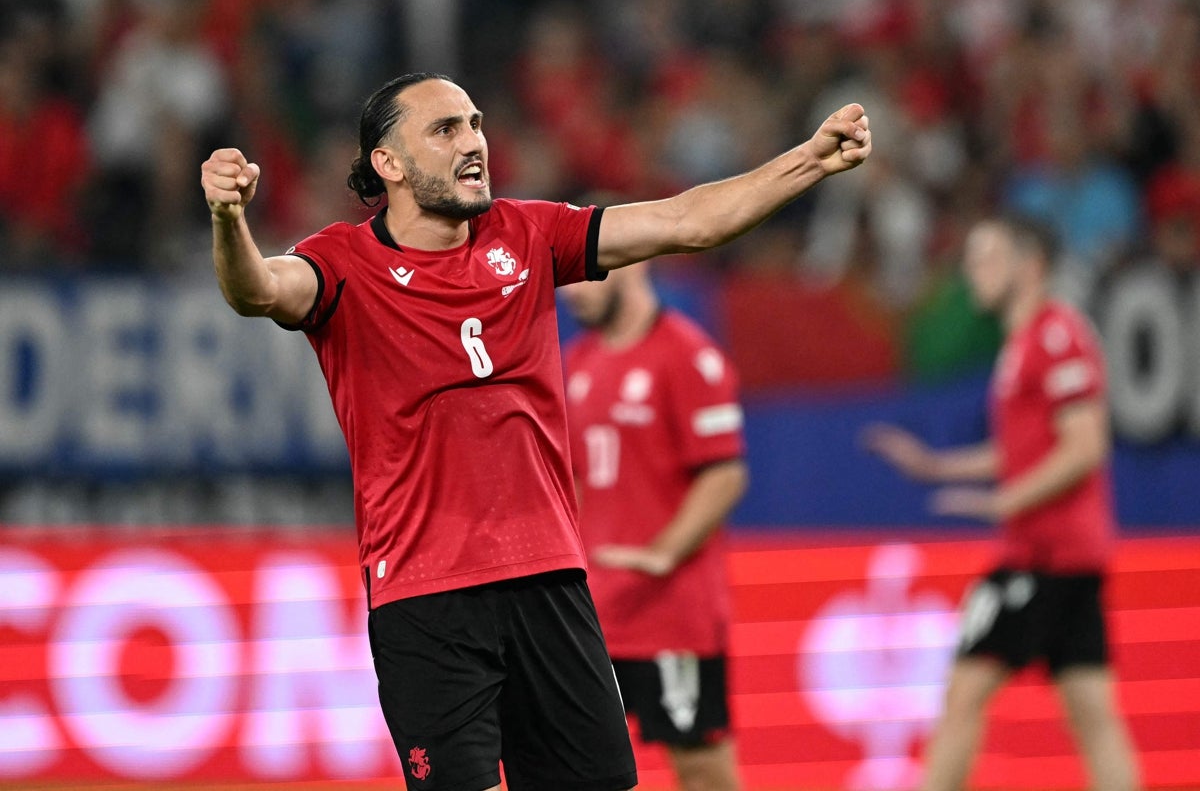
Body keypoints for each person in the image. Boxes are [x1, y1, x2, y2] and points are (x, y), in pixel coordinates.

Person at [200, 71, 871, 791]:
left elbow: (686, 221)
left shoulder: (528, 234)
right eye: (445, 129)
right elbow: (258, 291)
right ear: (387, 163)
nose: (473, 143)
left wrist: (809, 161)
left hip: (549, 581)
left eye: (476, 123)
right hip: (427, 599)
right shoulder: (342, 263)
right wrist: (228, 220)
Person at [863, 215, 1141, 791]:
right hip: (1070, 557)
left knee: (962, 697)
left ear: (1030, 264)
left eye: (986, 256)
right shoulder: (1023, 344)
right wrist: (937, 466)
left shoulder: (1054, 334)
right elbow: (1024, 449)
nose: (972, 271)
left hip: (1041, 555)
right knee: (1093, 715)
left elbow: (1085, 445)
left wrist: (1005, 502)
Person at [561, 262, 747, 791]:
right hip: (594, 615)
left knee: (701, 769)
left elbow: (726, 473)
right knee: (577, 766)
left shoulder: (687, 355)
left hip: (672, 615)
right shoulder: (575, 364)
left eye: (584, 274)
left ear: (632, 263)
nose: (572, 293)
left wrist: (663, 553)